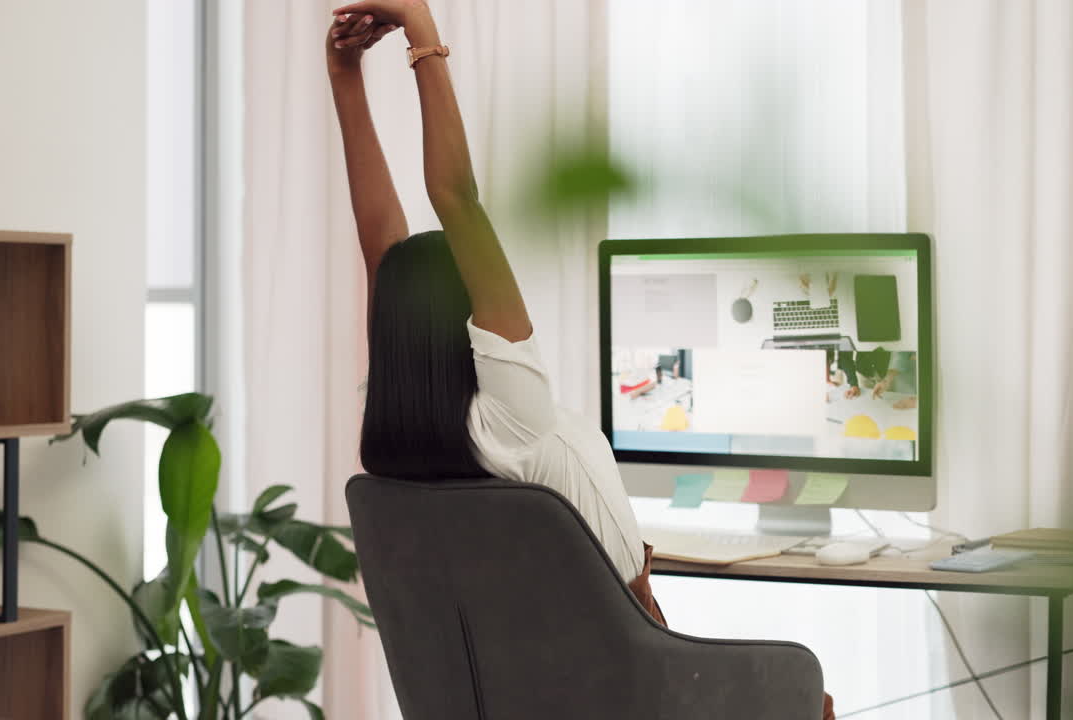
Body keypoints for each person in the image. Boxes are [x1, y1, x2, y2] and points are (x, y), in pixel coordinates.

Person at [327, 5, 832, 718]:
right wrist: (421, 30)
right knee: (815, 695)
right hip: (634, 692)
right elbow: (457, 202)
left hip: (539, 695)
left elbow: (382, 243)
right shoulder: (513, 419)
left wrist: (345, 77)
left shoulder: (410, 446)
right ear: (462, 324)